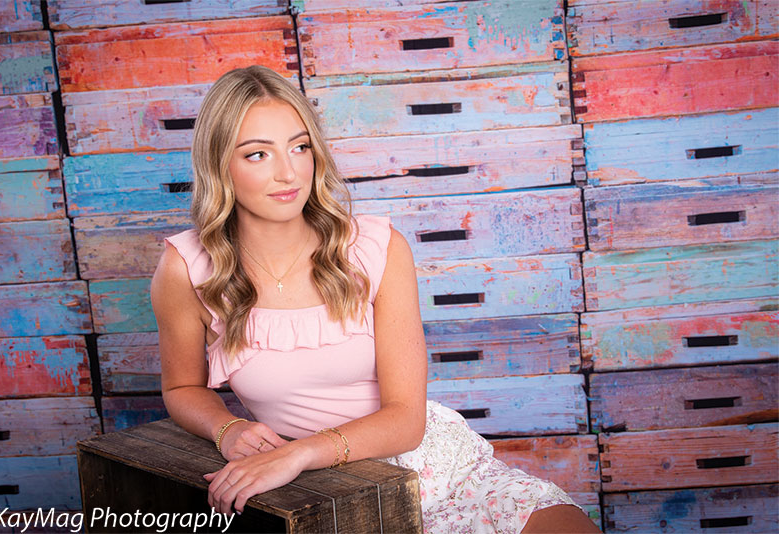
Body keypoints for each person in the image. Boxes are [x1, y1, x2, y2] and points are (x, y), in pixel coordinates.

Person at [151, 65, 601, 533]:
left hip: (431, 467)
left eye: (300, 146)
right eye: (258, 154)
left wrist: (298, 452)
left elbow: (407, 420)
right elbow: (182, 388)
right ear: (220, 163)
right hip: (330, 492)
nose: (288, 172)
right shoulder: (188, 267)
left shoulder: (375, 247)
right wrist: (229, 429)